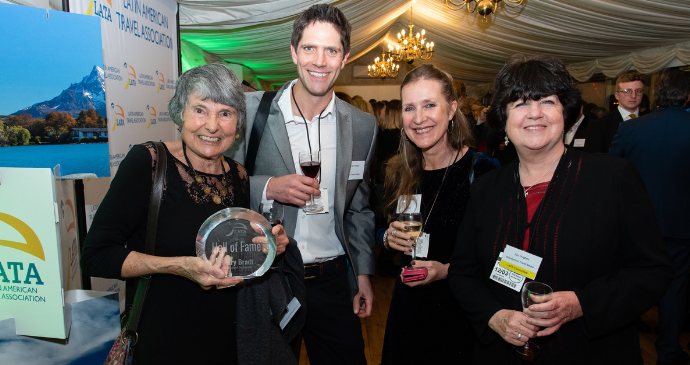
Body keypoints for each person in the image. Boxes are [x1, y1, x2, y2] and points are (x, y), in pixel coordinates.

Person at [448, 55, 673, 364]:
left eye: (547, 101)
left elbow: (652, 271)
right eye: (520, 103)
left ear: (565, 112)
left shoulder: (612, 178)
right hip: (500, 353)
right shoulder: (487, 188)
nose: (535, 113)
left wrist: (582, 303)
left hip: (589, 351)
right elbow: (463, 272)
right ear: (503, 118)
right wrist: (495, 316)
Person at [80, 63, 304, 365]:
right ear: (180, 113)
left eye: (225, 113)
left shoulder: (238, 175)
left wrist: (267, 246)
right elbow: (95, 255)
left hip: (229, 339)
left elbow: (232, 257)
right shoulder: (147, 163)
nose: (212, 125)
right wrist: (178, 266)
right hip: (164, 339)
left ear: (238, 123)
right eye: (200, 110)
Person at [224, 5, 376, 365]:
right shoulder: (250, 111)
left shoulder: (362, 126)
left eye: (331, 50)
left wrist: (365, 275)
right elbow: (219, 184)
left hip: (335, 281)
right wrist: (269, 186)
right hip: (269, 277)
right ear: (293, 52)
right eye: (309, 48)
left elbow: (360, 209)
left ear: (345, 58)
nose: (319, 61)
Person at [380, 64, 499, 365]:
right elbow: (381, 228)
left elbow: (499, 257)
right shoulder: (399, 170)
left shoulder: (483, 171)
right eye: (409, 108)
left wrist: (446, 270)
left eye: (430, 105)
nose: (418, 118)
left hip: (460, 315)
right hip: (408, 310)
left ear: (452, 109)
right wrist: (386, 237)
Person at [610, 68, 690, 365]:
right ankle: (668, 350)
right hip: (681, 224)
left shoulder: (632, 129)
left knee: (630, 279)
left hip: (636, 223)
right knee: (675, 286)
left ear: (655, 94)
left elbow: (611, 176)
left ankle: (622, 345)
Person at [585, 71, 645, 153]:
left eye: (638, 91)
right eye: (627, 91)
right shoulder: (600, 125)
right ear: (617, 95)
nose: (633, 96)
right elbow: (594, 160)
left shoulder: (650, 121)